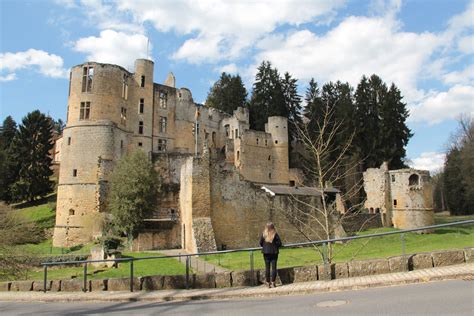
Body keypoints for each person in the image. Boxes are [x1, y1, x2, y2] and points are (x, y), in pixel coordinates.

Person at [259, 222, 282, 288]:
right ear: (273, 227)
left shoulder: (264, 234)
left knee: (267, 268)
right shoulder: (275, 234)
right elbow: (279, 243)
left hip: (266, 253)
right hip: (274, 252)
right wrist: (275, 244)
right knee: (274, 267)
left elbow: (260, 243)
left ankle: (268, 283)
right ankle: (273, 282)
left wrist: (265, 246)